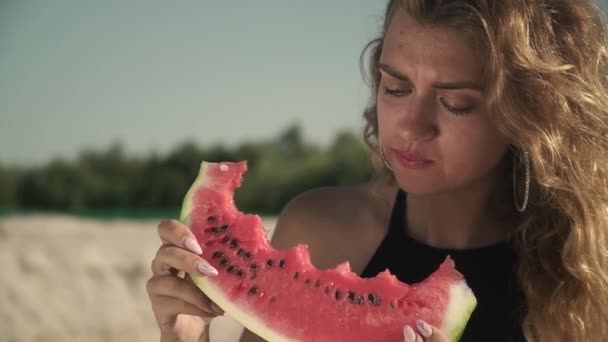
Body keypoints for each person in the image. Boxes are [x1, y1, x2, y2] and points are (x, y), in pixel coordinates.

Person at [146, 0, 608, 341]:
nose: (412, 126)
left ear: (532, 115)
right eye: (395, 87)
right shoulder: (321, 230)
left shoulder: (588, 269)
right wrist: (185, 338)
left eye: (455, 103)